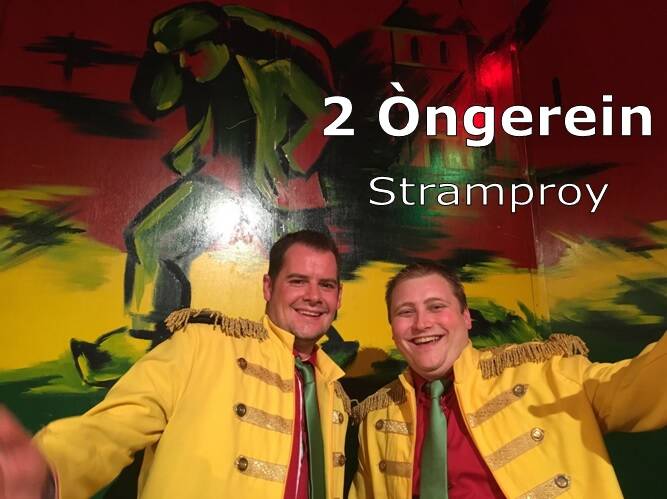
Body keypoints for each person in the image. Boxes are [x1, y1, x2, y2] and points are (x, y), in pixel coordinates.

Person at [0, 230, 351, 499]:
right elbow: (115, 426)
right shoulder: (202, 345)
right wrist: (47, 472)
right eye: (297, 281)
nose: (313, 296)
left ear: (338, 298)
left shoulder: (335, 393)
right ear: (268, 287)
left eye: (326, 285)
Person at [350, 262, 667, 499]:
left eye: (436, 307)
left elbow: (637, 390)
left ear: (466, 317)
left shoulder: (545, 371)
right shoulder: (376, 417)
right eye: (406, 312)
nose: (422, 323)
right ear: (392, 329)